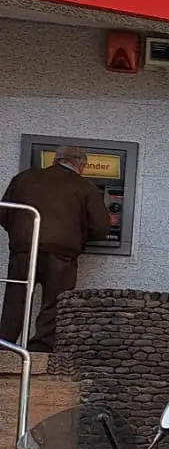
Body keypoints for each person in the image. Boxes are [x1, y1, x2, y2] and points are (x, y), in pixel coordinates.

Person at [1, 146, 112, 351]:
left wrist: (21, 236)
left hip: (24, 250)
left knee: (16, 299)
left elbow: (4, 213)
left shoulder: (24, 178)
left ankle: (5, 345)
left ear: (55, 160)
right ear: (82, 165)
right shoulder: (84, 186)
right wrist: (81, 238)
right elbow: (101, 227)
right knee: (55, 301)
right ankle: (40, 349)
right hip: (62, 253)